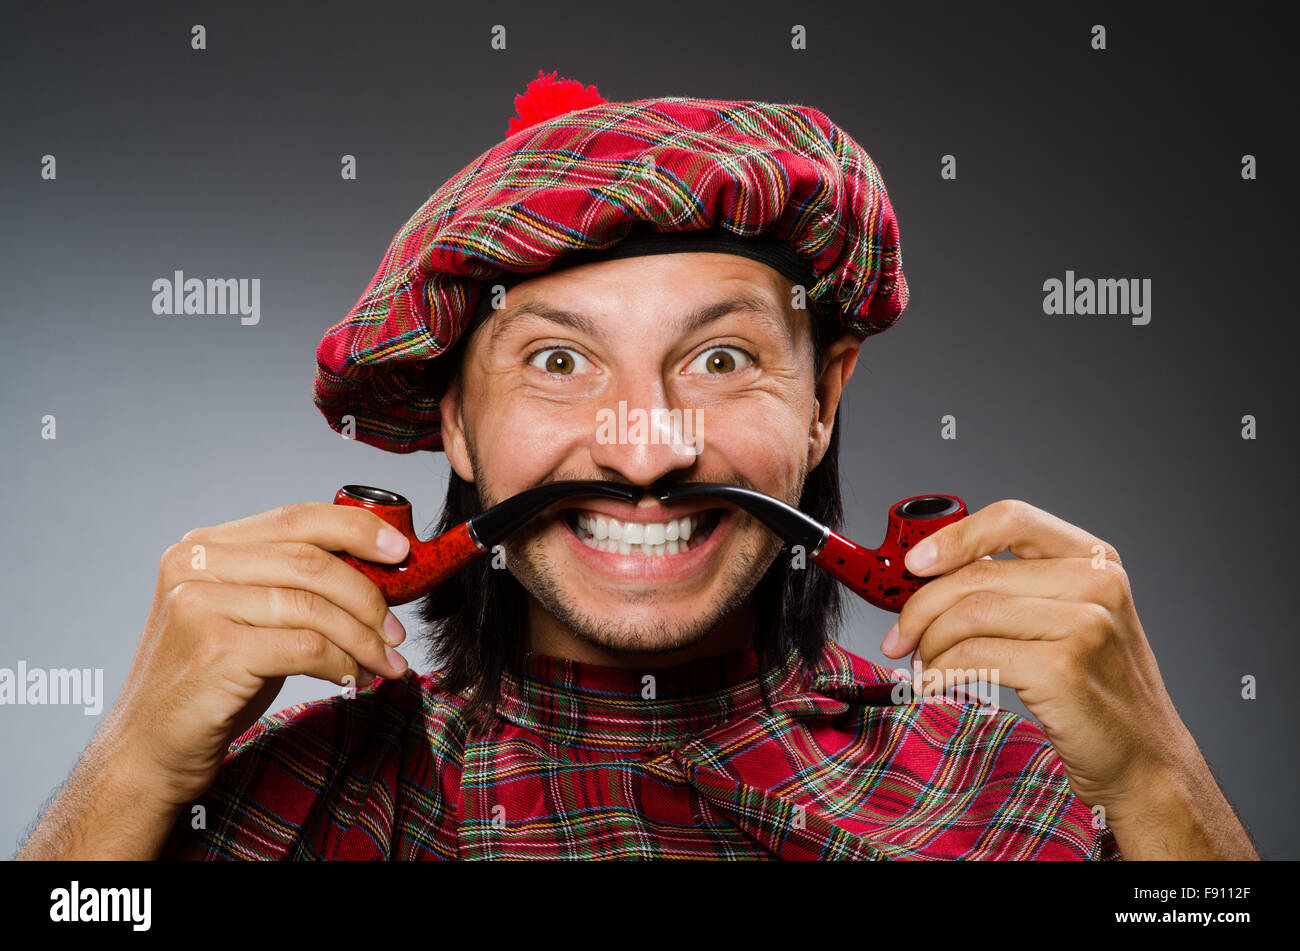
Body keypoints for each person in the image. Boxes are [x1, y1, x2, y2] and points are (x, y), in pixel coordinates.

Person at [18, 71, 1257, 861]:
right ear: (457, 427)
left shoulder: (1022, 793)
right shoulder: (291, 805)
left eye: (720, 359)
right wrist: (132, 767)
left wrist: (1162, 783)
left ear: (821, 402)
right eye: (558, 362)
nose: (647, 451)